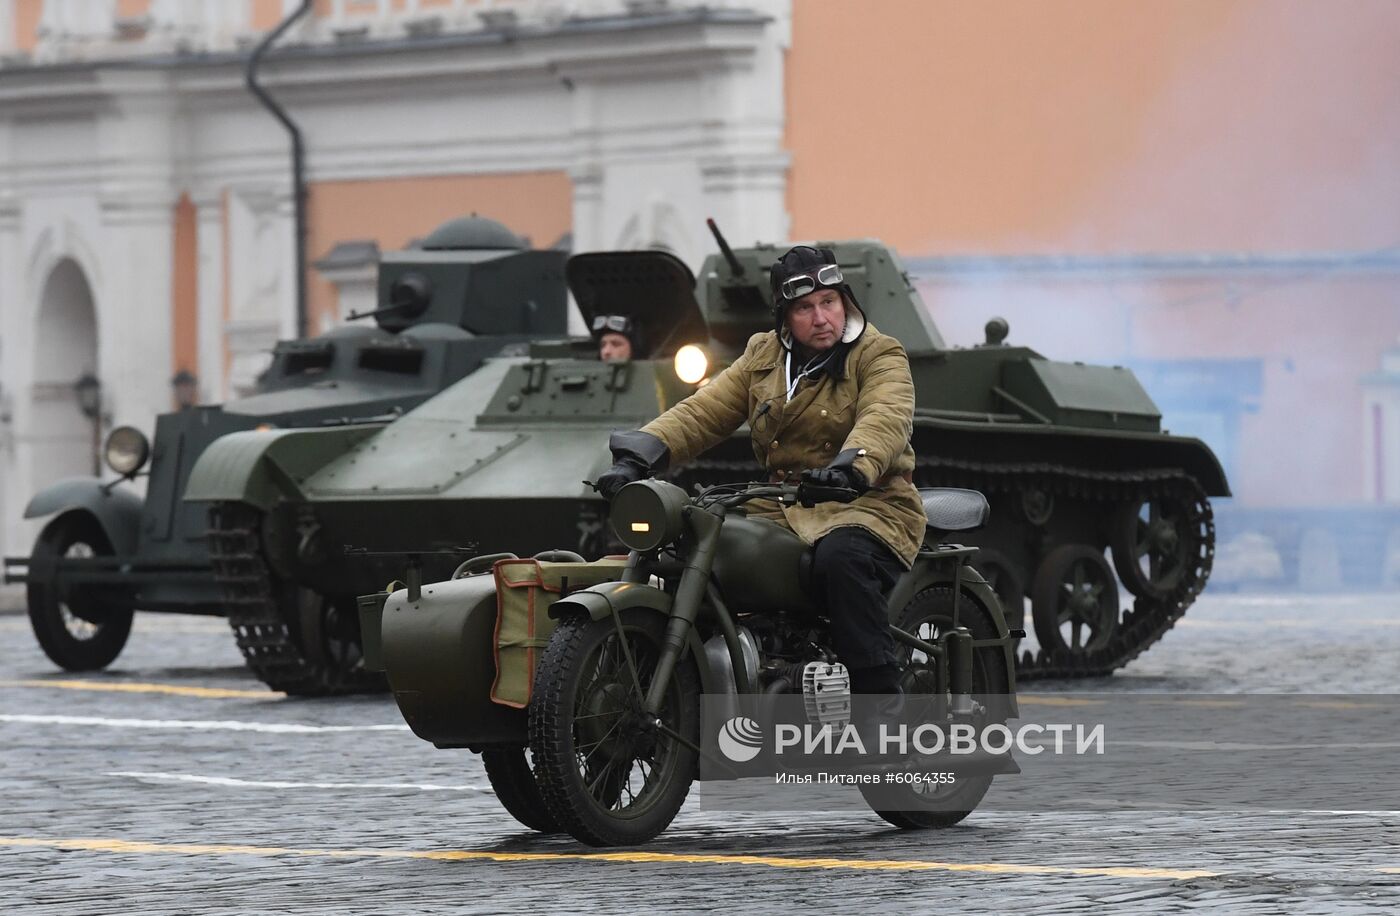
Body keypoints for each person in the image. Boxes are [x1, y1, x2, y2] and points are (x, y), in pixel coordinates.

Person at [595, 245, 925, 698]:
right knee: (696, 547)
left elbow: (885, 415)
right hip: (781, 505)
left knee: (842, 561)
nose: (821, 317)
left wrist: (851, 468)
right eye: (805, 308)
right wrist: (639, 454)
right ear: (785, 316)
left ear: (844, 301)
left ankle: (879, 703)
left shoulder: (878, 352)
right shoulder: (763, 355)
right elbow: (703, 412)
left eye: (829, 302)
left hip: (867, 503)